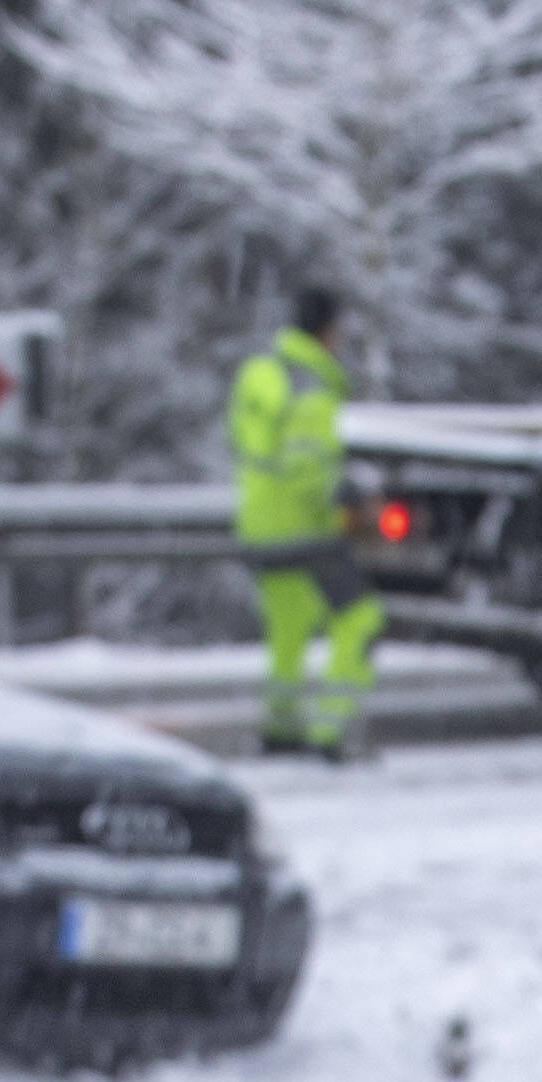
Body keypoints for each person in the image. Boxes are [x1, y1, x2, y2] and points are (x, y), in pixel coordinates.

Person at [224, 277, 377, 760]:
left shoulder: (261, 372)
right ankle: (331, 732)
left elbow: (246, 441)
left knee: (288, 630)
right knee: (361, 620)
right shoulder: (310, 384)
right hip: (303, 527)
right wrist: (347, 496)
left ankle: (281, 727)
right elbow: (307, 466)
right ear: (327, 332)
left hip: (257, 522)